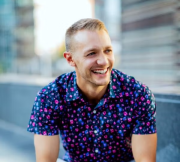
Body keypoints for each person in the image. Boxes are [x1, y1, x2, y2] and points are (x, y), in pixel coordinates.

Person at [27, 18, 157, 162]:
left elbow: (145, 160)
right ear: (70, 59)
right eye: (91, 53)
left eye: (108, 51)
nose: (103, 61)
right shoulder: (50, 97)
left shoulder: (138, 94)